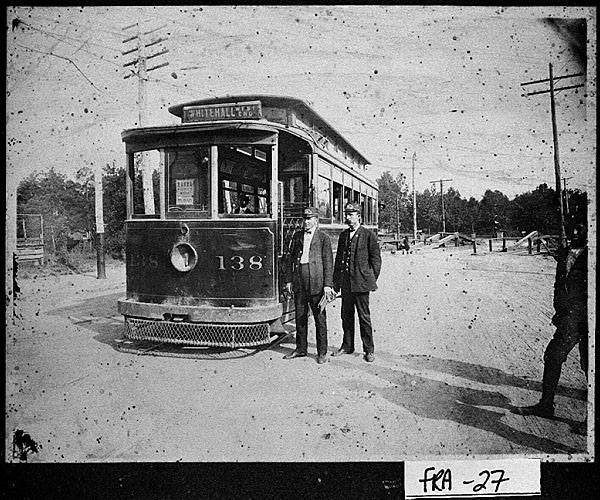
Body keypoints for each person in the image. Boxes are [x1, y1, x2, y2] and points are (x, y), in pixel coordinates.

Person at [512, 222, 588, 425]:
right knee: (553, 356)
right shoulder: (565, 253)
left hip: (588, 320)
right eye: (573, 228)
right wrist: (559, 311)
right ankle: (546, 405)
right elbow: (558, 285)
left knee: (589, 365)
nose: (574, 232)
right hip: (568, 319)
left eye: (579, 228)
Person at [283, 206, 334, 364]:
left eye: (309, 219)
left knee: (319, 318)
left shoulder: (323, 238)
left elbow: (328, 263)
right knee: (300, 317)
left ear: (316, 221)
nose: (306, 222)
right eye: (304, 219)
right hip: (300, 283)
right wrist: (289, 280)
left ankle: (322, 353)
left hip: (317, 285)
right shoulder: (297, 236)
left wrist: (327, 285)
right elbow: (290, 259)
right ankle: (301, 349)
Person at [332, 202, 382, 362]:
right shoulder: (343, 236)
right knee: (346, 316)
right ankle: (347, 346)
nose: (347, 217)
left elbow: (376, 261)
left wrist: (369, 279)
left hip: (361, 285)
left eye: (350, 214)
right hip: (346, 285)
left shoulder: (368, 236)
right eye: (346, 214)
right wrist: (336, 284)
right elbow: (339, 261)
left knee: (364, 317)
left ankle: (369, 350)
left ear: (358, 216)